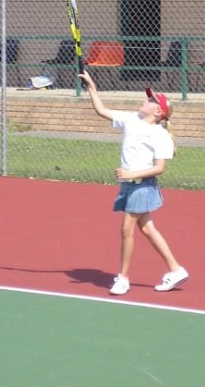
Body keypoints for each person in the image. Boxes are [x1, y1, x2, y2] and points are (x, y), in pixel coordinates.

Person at [79, 69, 189, 296]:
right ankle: (176, 269)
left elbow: (159, 168)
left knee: (126, 229)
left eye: (150, 100)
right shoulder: (132, 119)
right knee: (148, 229)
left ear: (158, 111)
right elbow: (101, 110)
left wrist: (131, 174)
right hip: (129, 186)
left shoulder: (160, 135)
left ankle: (123, 278)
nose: (144, 100)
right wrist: (91, 84)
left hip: (143, 186)